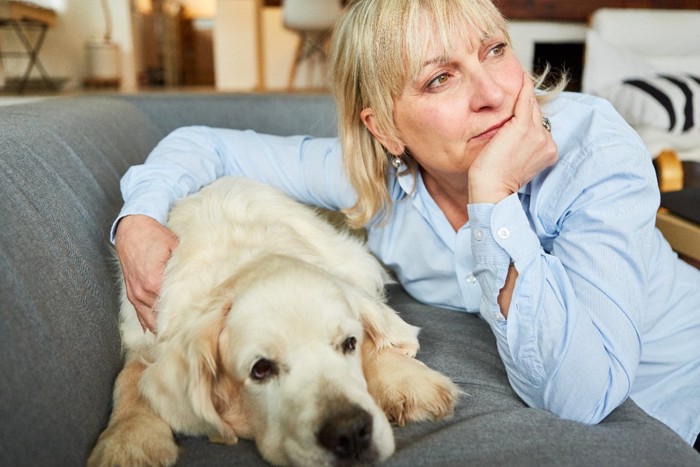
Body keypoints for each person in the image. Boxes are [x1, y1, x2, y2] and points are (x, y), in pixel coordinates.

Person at [112, 0, 700, 449]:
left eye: (494, 49)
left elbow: (582, 396)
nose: (495, 93)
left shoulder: (592, 148)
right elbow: (202, 144)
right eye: (439, 78)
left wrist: (490, 198)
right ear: (387, 130)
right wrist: (137, 218)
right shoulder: (378, 179)